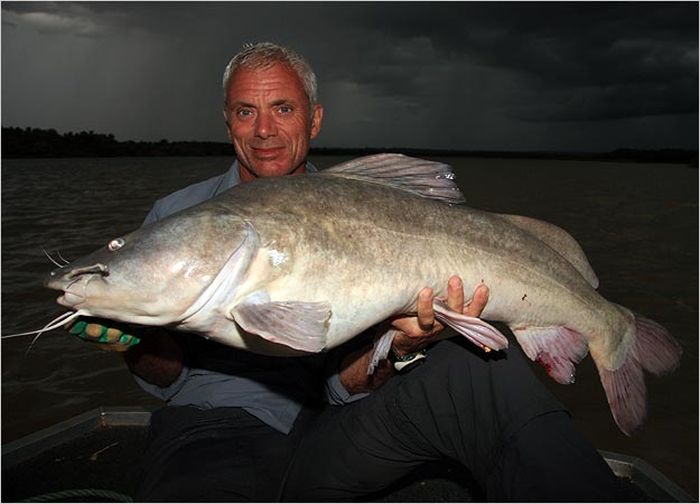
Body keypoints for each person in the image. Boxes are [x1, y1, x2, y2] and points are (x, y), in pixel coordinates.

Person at [68, 42, 634, 502]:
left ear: (314, 119)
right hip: (217, 428)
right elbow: (168, 378)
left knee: (479, 368)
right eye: (246, 111)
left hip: (342, 427)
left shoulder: (366, 201)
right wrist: (137, 341)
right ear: (227, 122)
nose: (264, 130)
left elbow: (348, 383)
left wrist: (405, 345)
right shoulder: (175, 215)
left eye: (282, 109)